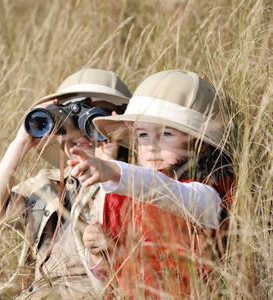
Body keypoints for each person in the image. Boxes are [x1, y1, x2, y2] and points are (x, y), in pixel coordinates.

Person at [68, 70, 235, 298]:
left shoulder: (207, 194)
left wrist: (113, 170)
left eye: (167, 133)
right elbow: (109, 280)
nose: (152, 146)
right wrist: (99, 252)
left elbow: (166, 191)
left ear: (201, 144)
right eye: (143, 135)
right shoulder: (124, 200)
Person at [0, 68, 132, 299]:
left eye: (95, 116)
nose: (79, 128)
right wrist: (20, 143)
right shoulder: (48, 184)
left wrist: (108, 161)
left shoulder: (136, 182)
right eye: (66, 117)